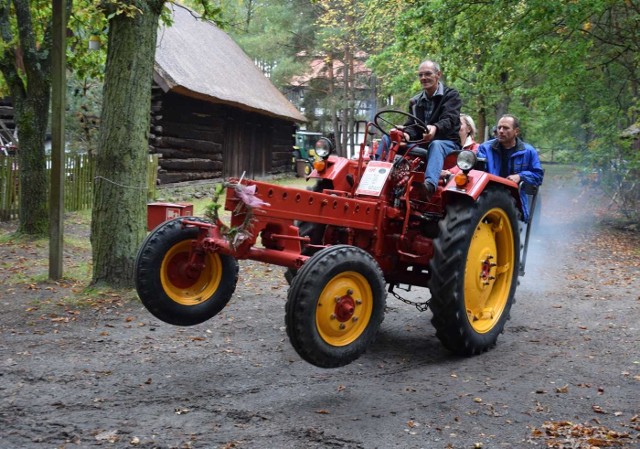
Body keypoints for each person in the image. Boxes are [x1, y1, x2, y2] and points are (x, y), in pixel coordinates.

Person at [376, 59, 462, 199]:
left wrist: (435, 128)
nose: (423, 78)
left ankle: (429, 186)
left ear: (438, 74)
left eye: (428, 74)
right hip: (422, 144)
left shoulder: (451, 95)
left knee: (436, 144)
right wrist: (406, 135)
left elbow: (450, 120)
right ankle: (374, 173)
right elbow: (413, 126)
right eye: (420, 75)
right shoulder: (415, 102)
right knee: (388, 137)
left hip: (447, 144)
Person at [477, 114, 544, 222]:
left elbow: (538, 176)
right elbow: (478, 172)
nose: (501, 131)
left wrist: (520, 176)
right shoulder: (485, 148)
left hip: (515, 200)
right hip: (487, 197)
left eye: (506, 128)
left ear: (516, 131)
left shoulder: (529, 151)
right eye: (499, 128)